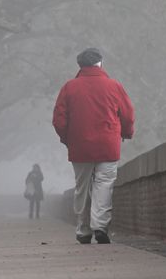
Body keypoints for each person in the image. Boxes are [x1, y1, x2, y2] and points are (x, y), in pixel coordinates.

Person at [52, 47, 135, 244]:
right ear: (100, 62)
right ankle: (100, 226)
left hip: (79, 146)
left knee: (82, 187)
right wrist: (125, 133)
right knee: (104, 185)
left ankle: (83, 229)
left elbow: (59, 120)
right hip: (108, 144)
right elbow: (128, 114)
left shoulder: (69, 87)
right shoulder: (114, 86)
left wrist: (67, 138)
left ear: (80, 65)